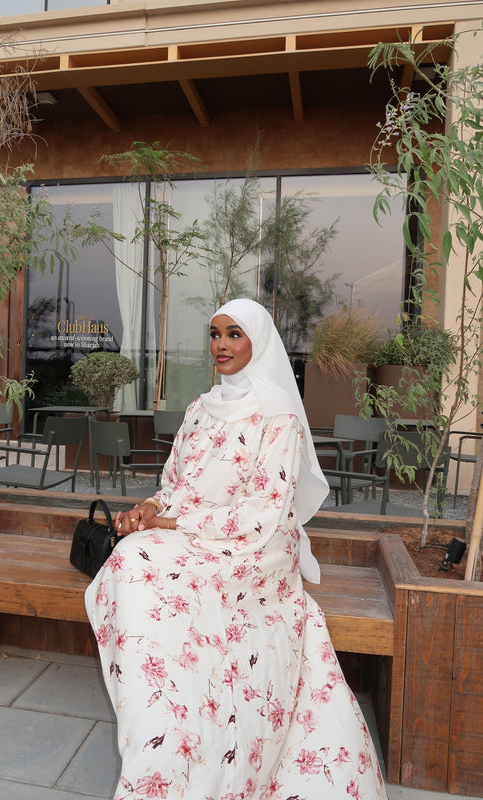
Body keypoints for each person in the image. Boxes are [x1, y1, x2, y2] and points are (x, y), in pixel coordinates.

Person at [85, 298, 388, 800]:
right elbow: (175, 483)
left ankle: (189, 741)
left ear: (258, 342)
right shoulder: (201, 409)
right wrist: (148, 508)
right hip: (193, 531)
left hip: (258, 546)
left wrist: (172, 520)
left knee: (147, 569)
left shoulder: (280, 418)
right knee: (132, 560)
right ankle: (166, 727)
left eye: (234, 335)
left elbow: (264, 512)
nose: (220, 345)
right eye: (214, 334)